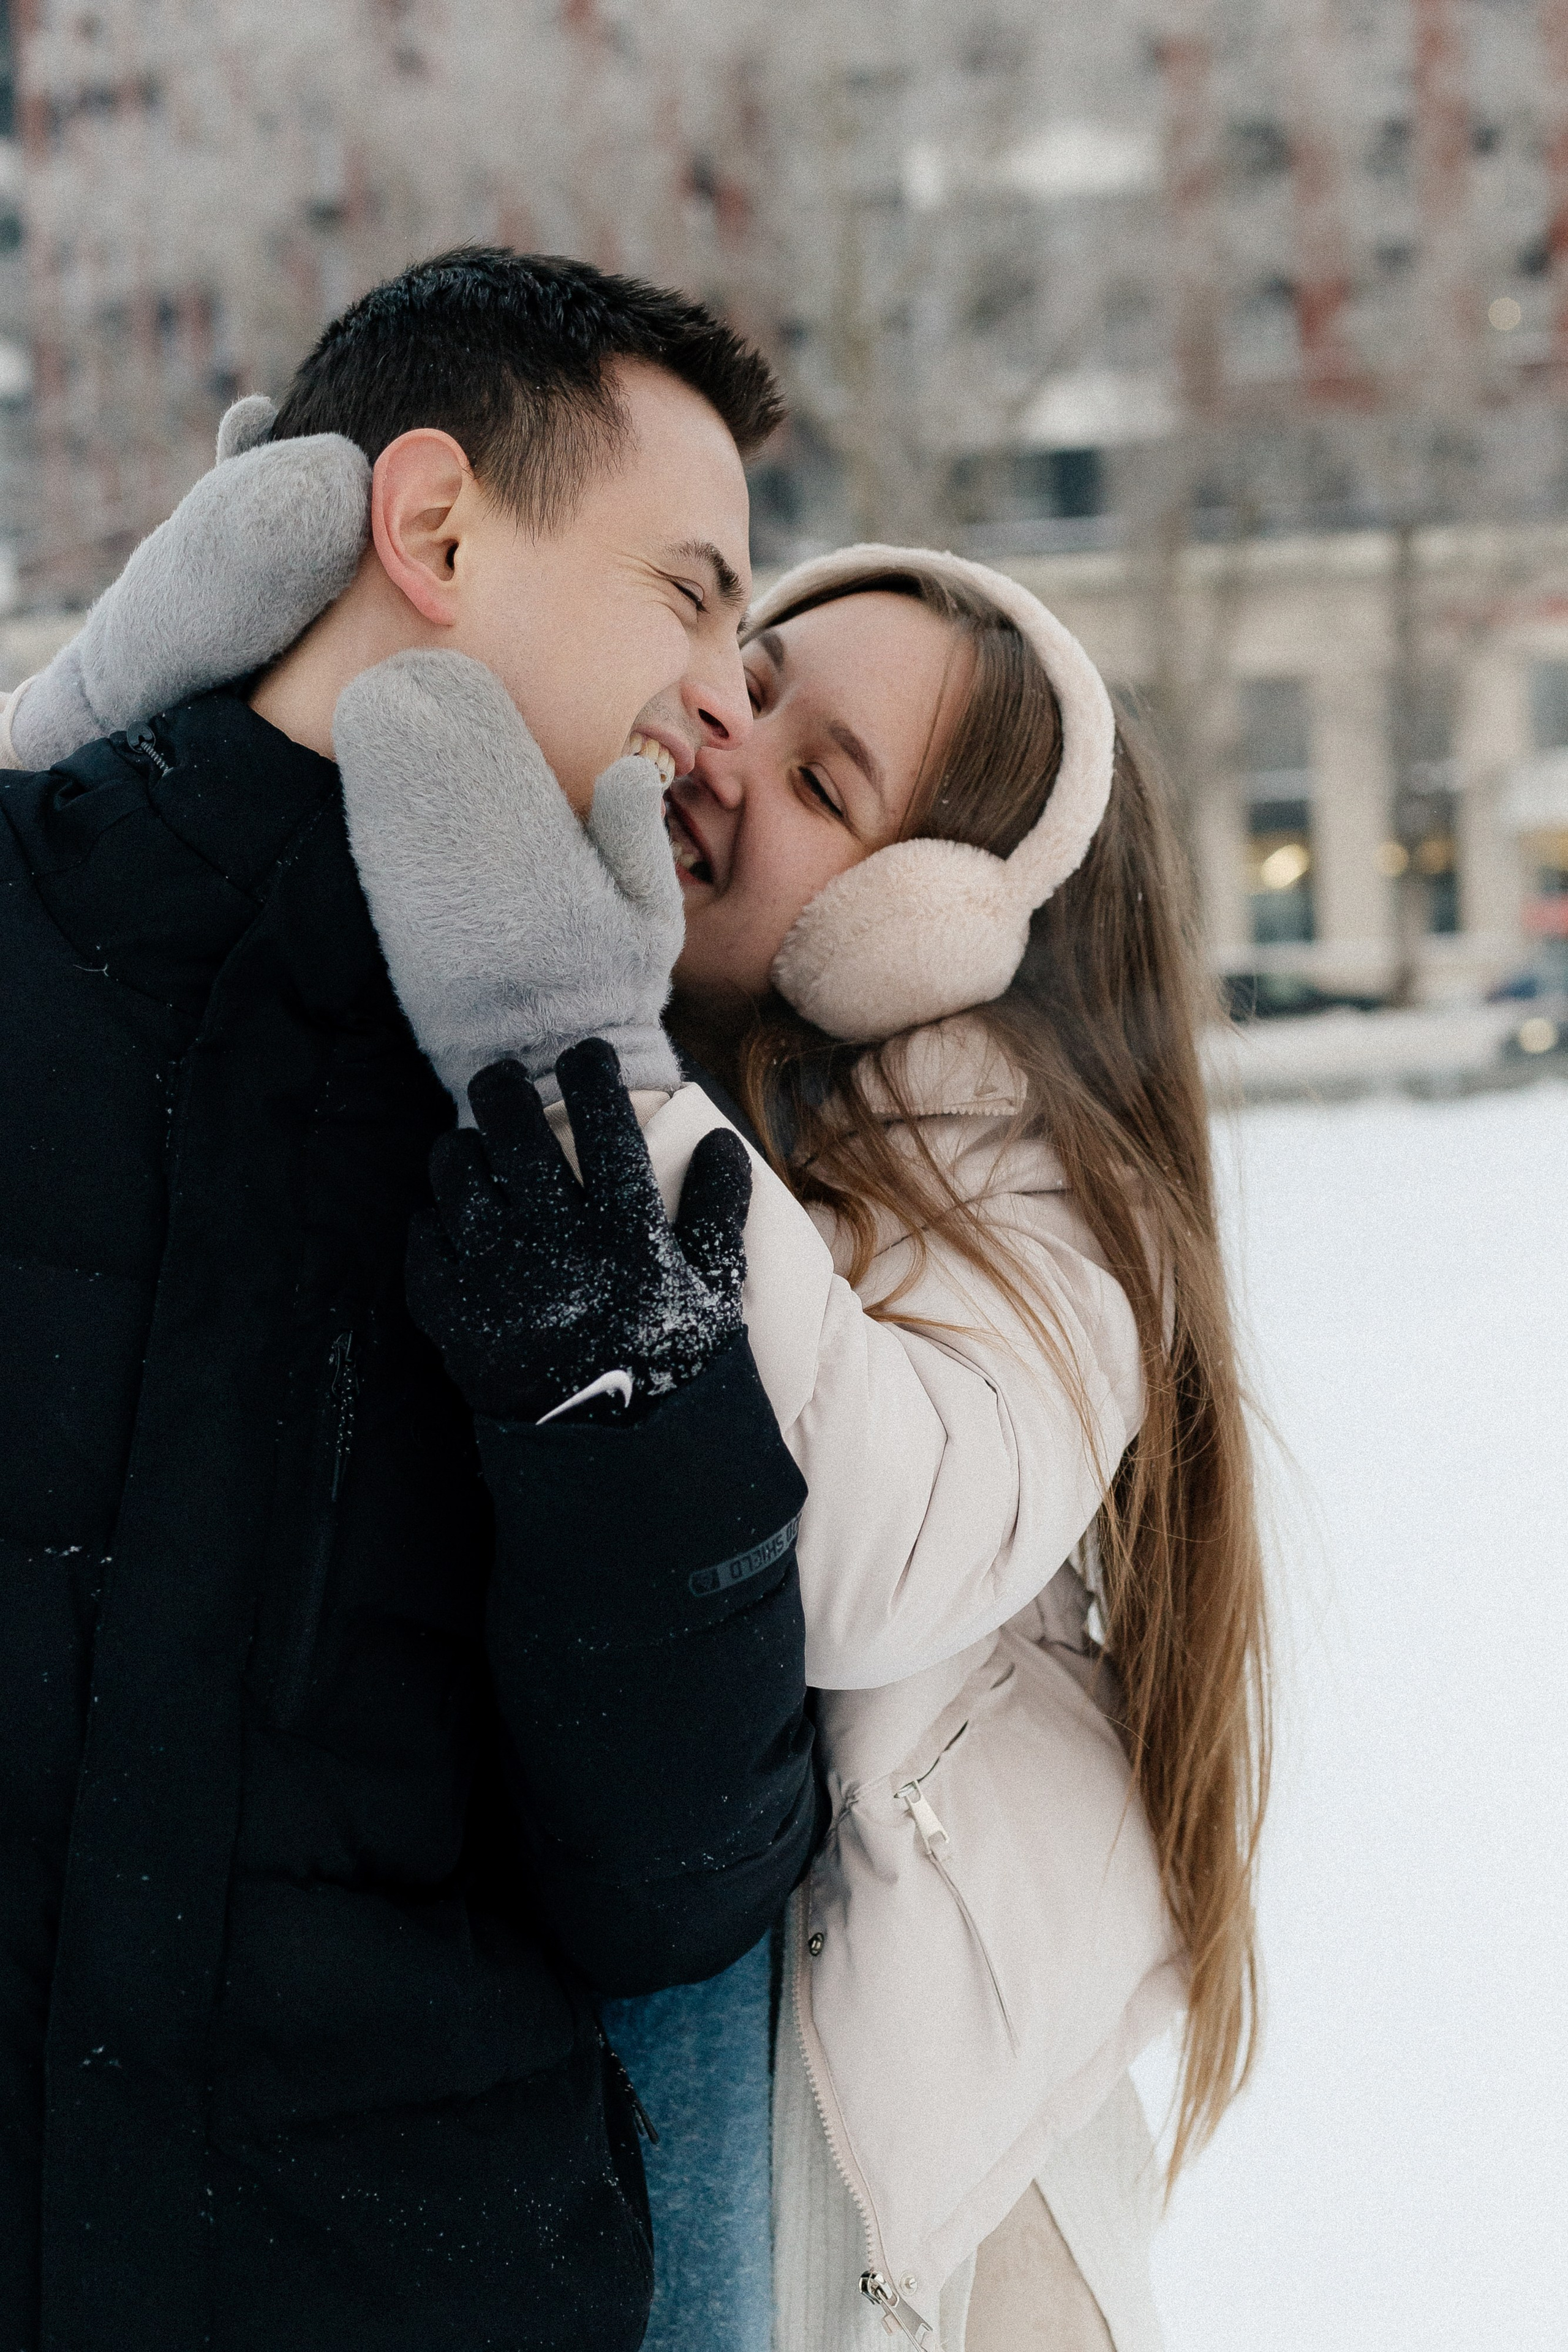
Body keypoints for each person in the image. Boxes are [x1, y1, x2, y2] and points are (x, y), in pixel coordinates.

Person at [0, 249, 823, 2352]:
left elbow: (681, 1886)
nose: (732, 692)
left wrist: (618, 1402)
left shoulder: (616, 1137)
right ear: (434, 526)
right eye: (690, 592)